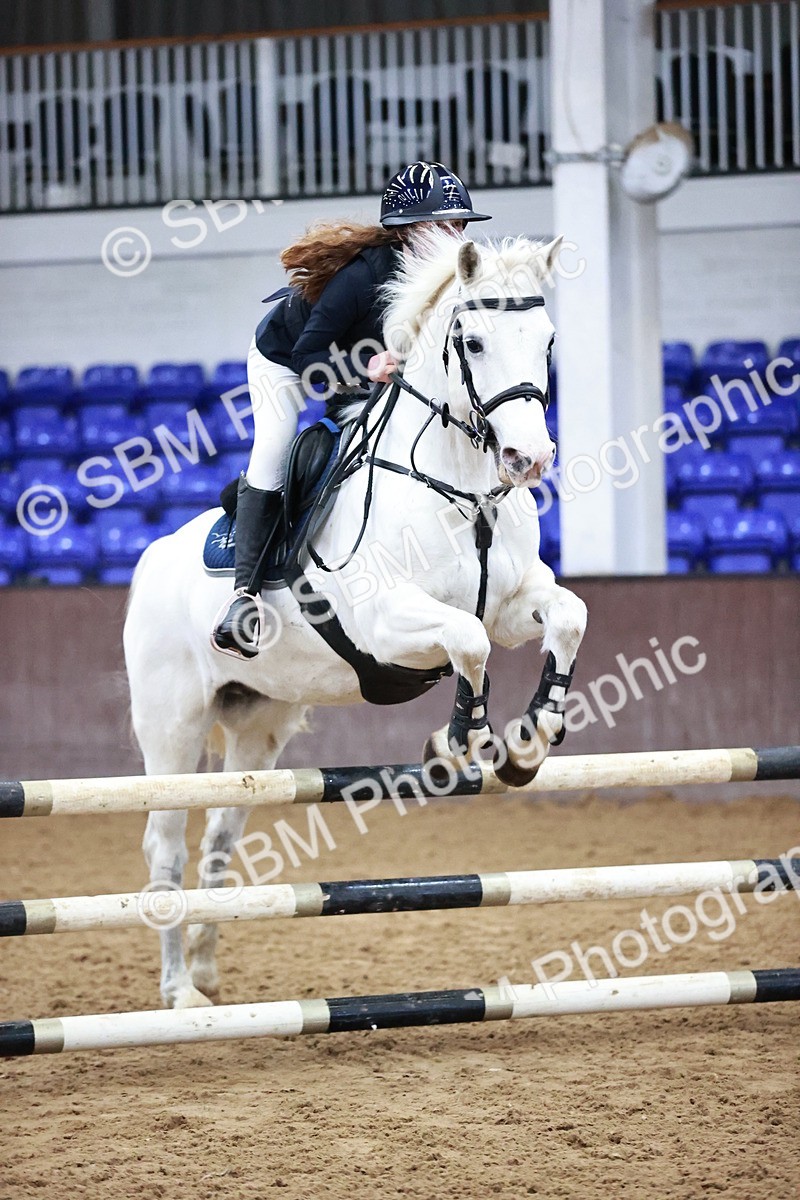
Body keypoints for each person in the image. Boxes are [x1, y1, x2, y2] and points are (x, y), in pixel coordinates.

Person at [212, 161, 491, 659]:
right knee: (273, 449)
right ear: (407, 233)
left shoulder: (447, 280)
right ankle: (244, 599)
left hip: (366, 362)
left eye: (461, 225)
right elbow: (308, 357)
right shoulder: (361, 277)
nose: (457, 236)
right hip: (287, 359)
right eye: (445, 226)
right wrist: (366, 368)